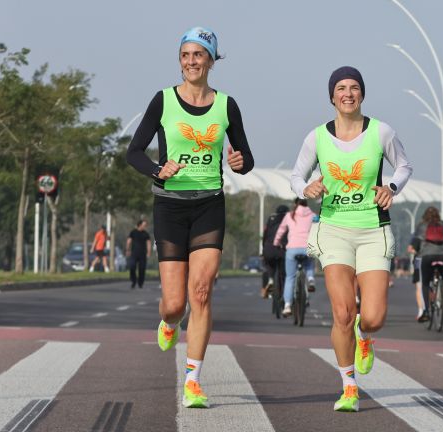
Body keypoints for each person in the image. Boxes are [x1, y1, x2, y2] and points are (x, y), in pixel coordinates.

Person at [126, 26, 254, 409]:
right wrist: (156, 170)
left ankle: (193, 380)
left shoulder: (226, 105)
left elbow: (246, 159)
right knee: (174, 303)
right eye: (185, 55)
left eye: (199, 55)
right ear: (180, 60)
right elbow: (133, 152)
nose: (191, 62)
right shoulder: (162, 101)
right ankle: (168, 322)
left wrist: (239, 161)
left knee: (202, 292)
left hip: (209, 205)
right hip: (169, 206)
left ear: (211, 60)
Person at [291, 66, 412, 412]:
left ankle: (366, 335)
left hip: (373, 230)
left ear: (362, 94)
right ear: (332, 96)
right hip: (333, 229)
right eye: (341, 88)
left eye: (354, 87)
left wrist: (391, 188)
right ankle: (348, 387)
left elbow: (404, 167)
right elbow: (296, 175)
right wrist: (306, 188)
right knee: (342, 313)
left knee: (371, 316)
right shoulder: (316, 137)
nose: (347, 93)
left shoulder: (381, 132)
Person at [273, 198, 316, 316]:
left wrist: (276, 243)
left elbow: (281, 230)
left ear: (295, 204)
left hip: (292, 249)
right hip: (308, 248)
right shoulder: (313, 215)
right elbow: (318, 230)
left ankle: (287, 306)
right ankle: (311, 279)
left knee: (290, 277)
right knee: (310, 263)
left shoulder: (289, 215)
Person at [413, 207, 443, 323]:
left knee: (425, 283)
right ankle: (442, 288)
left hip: (428, 256)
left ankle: (426, 311)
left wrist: (418, 250)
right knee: (442, 269)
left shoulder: (422, 225)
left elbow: (417, 242)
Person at [261, 205, 289, 298]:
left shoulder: (271, 219)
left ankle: (270, 279)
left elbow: (265, 236)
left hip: (269, 249)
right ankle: (285, 293)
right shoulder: (290, 219)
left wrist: (263, 249)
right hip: (283, 250)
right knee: (284, 271)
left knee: (268, 264)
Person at [127, 219, 152, 289]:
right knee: (132, 267)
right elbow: (129, 241)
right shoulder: (133, 232)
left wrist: (149, 252)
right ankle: (133, 280)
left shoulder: (146, 234)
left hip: (142, 254)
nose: (145, 226)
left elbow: (149, 243)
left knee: (142, 269)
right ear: (140, 225)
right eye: (144, 225)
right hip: (134, 253)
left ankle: (140, 283)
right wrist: (128, 250)